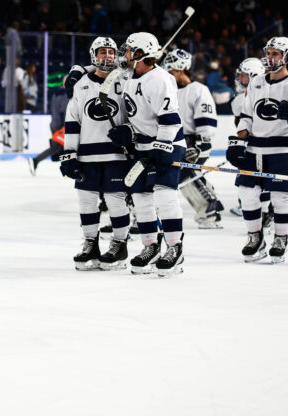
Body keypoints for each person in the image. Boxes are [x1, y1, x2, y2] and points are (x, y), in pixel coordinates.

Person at [107, 32, 186, 277]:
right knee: (141, 199)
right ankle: (150, 246)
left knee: (164, 196)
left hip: (168, 144)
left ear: (141, 54)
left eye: (129, 50)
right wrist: (128, 132)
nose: (125, 54)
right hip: (142, 147)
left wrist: (162, 146)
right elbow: (139, 118)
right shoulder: (131, 78)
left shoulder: (160, 79)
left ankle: (175, 248)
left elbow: (170, 120)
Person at [229, 37, 288, 264]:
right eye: (269, 52)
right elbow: (246, 116)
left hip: (285, 147)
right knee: (247, 193)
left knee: (281, 196)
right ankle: (255, 237)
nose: (270, 57)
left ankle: (280, 239)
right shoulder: (256, 81)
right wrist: (237, 142)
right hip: (255, 146)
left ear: (287, 57)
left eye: (276, 53)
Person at [60, 37, 133, 270]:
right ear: (93, 55)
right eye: (102, 52)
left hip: (117, 155)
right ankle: (90, 243)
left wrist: (130, 132)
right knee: (87, 202)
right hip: (87, 156)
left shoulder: (126, 79)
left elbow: (137, 113)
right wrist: (69, 154)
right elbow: (73, 122)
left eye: (111, 52)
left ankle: (120, 244)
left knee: (116, 201)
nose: (108, 56)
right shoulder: (80, 84)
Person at [161, 49, 222, 229]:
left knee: (187, 175)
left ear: (182, 69)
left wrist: (201, 144)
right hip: (171, 139)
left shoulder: (198, 90)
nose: (169, 75)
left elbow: (206, 119)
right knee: (177, 177)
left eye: (171, 71)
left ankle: (210, 209)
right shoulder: (167, 90)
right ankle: (209, 208)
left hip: (193, 141)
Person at [229, 58, 269, 220]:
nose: (240, 79)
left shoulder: (264, 93)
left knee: (262, 179)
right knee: (246, 179)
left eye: (244, 75)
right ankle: (251, 205)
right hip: (251, 143)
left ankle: (266, 210)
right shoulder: (240, 99)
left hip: (263, 144)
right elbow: (240, 124)